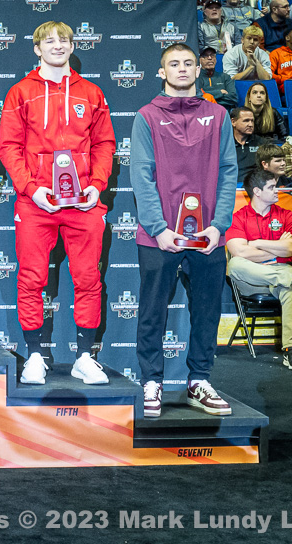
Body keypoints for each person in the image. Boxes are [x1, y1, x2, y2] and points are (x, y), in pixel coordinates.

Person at [0, 21, 115, 386]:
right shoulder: (20, 92)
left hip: (82, 203)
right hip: (36, 203)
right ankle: (35, 354)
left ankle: (84, 356)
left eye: (63, 40)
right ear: (37, 49)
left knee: (88, 278)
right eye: (48, 41)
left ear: (72, 45)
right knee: (32, 278)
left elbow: (105, 145)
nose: (57, 46)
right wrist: (31, 189)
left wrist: (97, 185)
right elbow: (9, 148)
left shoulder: (91, 93)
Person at [131, 47, 238, 418]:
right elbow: (141, 176)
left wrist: (218, 226)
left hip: (207, 237)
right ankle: (152, 381)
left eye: (187, 63)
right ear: (161, 72)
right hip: (159, 238)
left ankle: (199, 381)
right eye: (173, 64)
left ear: (198, 70)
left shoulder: (219, 114)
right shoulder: (146, 116)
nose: (181, 69)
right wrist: (158, 228)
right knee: (152, 313)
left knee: (207, 313)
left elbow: (228, 173)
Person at [226, 168, 292, 370]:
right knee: (235, 264)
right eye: (272, 187)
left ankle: (290, 350)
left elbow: (290, 247)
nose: (277, 191)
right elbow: (240, 253)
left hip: (278, 282)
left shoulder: (286, 215)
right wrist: (275, 252)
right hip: (251, 281)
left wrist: (256, 243)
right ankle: (286, 276)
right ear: (257, 191)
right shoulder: (238, 217)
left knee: (289, 289)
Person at [231, 107, 266, 179]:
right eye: (246, 121)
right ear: (233, 122)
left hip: (255, 185)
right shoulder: (223, 143)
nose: (250, 124)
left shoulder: (262, 143)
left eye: (252, 121)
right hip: (230, 184)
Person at [270, 28, 292, 97]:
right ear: (287, 37)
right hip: (285, 89)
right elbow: (269, 74)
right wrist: (285, 79)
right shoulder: (276, 53)